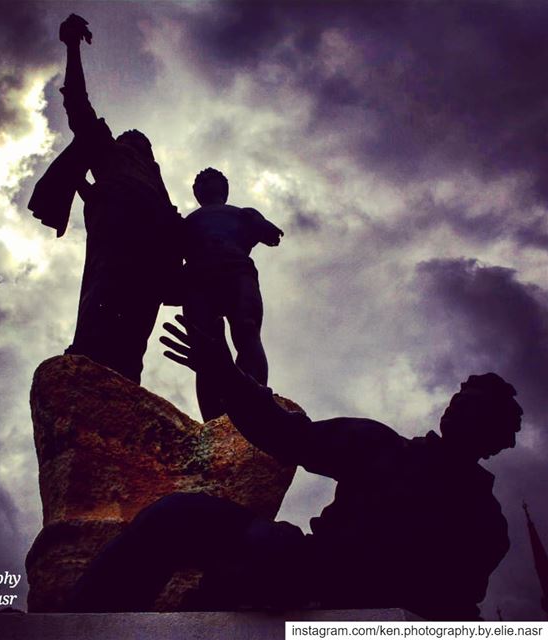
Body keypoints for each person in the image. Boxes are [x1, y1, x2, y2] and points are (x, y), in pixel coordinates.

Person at [68, 317, 522, 620]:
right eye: (459, 398)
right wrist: (227, 374)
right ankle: (77, 625)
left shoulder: (486, 523)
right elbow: (284, 435)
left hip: (363, 609)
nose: (459, 406)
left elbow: (456, 607)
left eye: (476, 407)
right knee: (179, 515)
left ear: (495, 437)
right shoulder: (381, 446)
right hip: (306, 568)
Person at [28, 14, 181, 383]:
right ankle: (88, 367)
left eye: (143, 142)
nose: (137, 141)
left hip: (160, 238)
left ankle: (125, 379)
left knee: (139, 319)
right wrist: (72, 47)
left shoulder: (156, 180)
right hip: (119, 222)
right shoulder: (108, 150)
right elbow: (78, 104)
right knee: (105, 297)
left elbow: (182, 229)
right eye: (131, 138)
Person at [182, 168, 283, 420]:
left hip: (238, 271)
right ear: (196, 192)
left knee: (247, 330)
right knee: (206, 349)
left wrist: (259, 225)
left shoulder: (243, 214)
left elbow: (271, 235)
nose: (204, 182)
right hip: (197, 278)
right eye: (200, 181)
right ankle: (215, 420)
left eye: (210, 179)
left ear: (224, 188)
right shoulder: (185, 222)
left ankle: (253, 402)